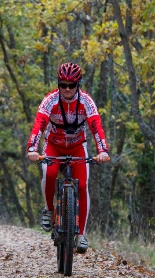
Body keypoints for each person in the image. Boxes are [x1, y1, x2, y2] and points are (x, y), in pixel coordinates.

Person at [25, 63, 110, 254]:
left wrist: (103, 150)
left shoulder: (86, 101)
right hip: (54, 145)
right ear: (58, 84)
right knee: (50, 172)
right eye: (63, 85)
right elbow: (39, 125)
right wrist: (32, 148)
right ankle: (48, 209)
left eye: (71, 85)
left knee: (81, 185)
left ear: (78, 85)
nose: (67, 89)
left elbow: (96, 126)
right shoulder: (50, 100)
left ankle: (81, 234)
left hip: (78, 146)